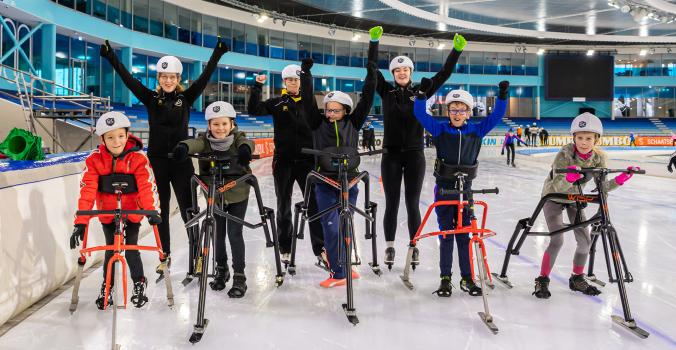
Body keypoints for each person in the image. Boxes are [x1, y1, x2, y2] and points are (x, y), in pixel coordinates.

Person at [100, 38, 229, 277]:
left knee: (188, 211)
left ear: (178, 79)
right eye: (164, 76)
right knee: (160, 213)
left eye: (173, 77)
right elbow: (128, 79)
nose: (168, 80)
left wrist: (217, 53)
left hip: (181, 163)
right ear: (159, 78)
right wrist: (111, 57)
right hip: (157, 163)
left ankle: (197, 255)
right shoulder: (150, 98)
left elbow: (205, 76)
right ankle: (165, 255)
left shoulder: (186, 98)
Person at [376, 32, 467, 268]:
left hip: (415, 155)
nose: (402, 73)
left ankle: (413, 246)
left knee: (412, 203)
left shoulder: (422, 92)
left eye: (405, 69)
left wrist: (455, 50)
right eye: (397, 70)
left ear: (411, 72)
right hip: (391, 155)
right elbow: (370, 70)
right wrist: (373, 43)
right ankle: (389, 246)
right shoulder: (386, 92)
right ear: (392, 74)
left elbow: (444, 74)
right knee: (392, 202)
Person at [413, 79, 509, 297]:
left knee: (464, 236)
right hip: (444, 189)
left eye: (462, 110)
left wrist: (502, 95)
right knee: (447, 234)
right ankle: (445, 278)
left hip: (466, 191)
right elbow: (420, 114)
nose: (457, 113)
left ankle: (467, 278)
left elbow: (496, 116)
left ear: (468, 112)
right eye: (453, 109)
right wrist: (421, 94)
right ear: (448, 111)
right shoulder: (439, 129)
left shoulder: (476, 131)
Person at [298, 26, 378, 287]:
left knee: (345, 226)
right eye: (328, 110)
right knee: (330, 227)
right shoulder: (316, 123)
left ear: (345, 110)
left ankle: (344, 268)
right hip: (324, 182)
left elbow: (367, 96)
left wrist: (372, 69)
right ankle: (338, 273)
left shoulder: (353, 124)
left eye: (335, 110)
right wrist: (305, 74)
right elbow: (308, 101)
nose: (330, 113)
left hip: (350, 181)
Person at [533, 112, 639, 299]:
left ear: (596, 139)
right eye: (580, 138)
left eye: (588, 138)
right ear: (573, 138)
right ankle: (542, 279)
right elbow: (557, 185)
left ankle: (577, 277)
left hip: (574, 197)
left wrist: (621, 179)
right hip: (553, 196)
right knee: (557, 240)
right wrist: (569, 177)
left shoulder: (599, 158)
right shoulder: (564, 154)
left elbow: (602, 187)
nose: (583, 142)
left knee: (585, 241)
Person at [70, 111, 161, 309]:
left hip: (132, 212)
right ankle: (107, 286)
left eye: (121, 136)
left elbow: (146, 186)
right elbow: (87, 190)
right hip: (107, 213)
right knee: (111, 250)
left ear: (128, 135)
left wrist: (151, 211)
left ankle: (139, 282)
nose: (116, 141)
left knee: (131, 250)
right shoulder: (94, 160)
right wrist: (81, 222)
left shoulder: (138, 158)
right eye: (110, 137)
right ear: (102, 139)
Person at [172, 101, 253, 298]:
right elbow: (196, 143)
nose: (220, 128)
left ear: (232, 124)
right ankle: (221, 269)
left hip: (237, 194)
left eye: (224, 124)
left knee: (234, 234)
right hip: (215, 195)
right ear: (209, 126)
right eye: (216, 124)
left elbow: (247, 142)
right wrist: (183, 146)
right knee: (217, 234)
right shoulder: (205, 141)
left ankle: (240, 276)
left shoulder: (237, 139)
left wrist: (245, 150)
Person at [247, 63, 325, 266]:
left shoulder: (309, 103)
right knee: (283, 205)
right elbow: (254, 109)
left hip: (307, 161)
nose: (293, 82)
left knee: (314, 205)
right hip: (283, 161)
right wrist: (256, 87)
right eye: (289, 79)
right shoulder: (276, 103)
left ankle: (320, 249)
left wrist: (307, 74)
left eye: (297, 79)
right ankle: (285, 248)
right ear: (284, 82)